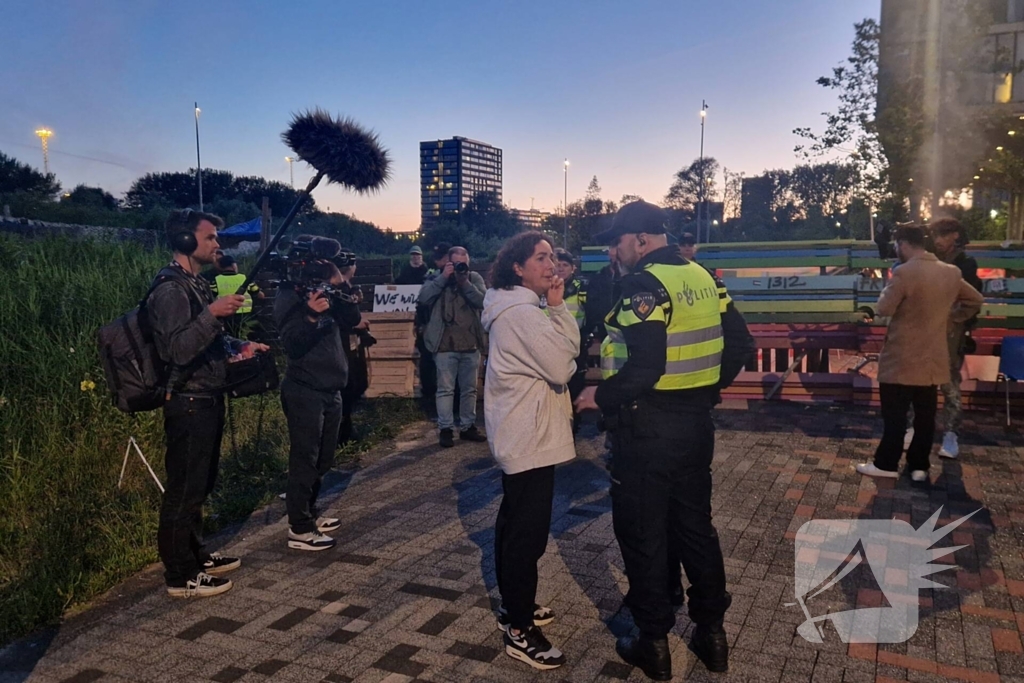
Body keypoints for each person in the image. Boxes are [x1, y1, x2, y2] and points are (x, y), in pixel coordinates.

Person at [574, 201, 754, 679]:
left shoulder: (644, 284)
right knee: (696, 529)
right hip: (696, 428)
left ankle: (653, 642)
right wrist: (707, 390)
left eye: (617, 241)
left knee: (644, 533)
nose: (615, 250)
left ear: (639, 240)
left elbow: (646, 366)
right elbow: (741, 345)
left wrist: (600, 395)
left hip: (647, 430)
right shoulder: (703, 277)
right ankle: (712, 636)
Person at [149, 209, 269, 598]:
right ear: (186, 242)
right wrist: (214, 313)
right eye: (211, 237)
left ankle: (195, 553)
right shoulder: (170, 290)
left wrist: (241, 345)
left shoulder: (195, 283)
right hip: (187, 401)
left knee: (200, 485)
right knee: (183, 489)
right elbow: (178, 350)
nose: (218, 243)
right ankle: (179, 576)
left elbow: (208, 341)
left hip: (207, 396)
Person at [481, 232, 580, 671]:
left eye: (553, 256)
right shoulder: (521, 312)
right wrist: (558, 322)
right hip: (529, 435)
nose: (551, 264)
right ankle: (520, 629)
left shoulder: (524, 307)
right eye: (541, 258)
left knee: (513, 524)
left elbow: (560, 354)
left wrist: (557, 307)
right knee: (527, 534)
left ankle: (513, 606)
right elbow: (562, 365)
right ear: (517, 267)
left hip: (523, 432)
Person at [856, 224, 983, 483]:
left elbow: (884, 308)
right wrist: (951, 319)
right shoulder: (951, 272)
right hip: (932, 357)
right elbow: (975, 300)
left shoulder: (904, 272)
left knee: (895, 416)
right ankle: (919, 467)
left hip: (902, 358)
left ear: (903, 243)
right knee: (926, 416)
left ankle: (886, 463)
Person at [274, 247, 361, 551]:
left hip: (332, 388)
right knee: (305, 458)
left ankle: (308, 513)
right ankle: (299, 528)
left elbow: (353, 317)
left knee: (323, 458)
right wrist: (311, 314)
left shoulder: (326, 290)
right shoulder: (289, 296)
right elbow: (293, 344)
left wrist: (339, 284)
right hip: (304, 389)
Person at [418, 246, 488, 448]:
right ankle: (446, 429)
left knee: (469, 389)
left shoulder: (473, 278)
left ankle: (468, 426)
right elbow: (423, 298)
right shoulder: (436, 278)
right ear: (447, 262)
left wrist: (464, 282)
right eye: (455, 262)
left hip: (470, 343)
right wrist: (443, 278)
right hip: (444, 344)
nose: (459, 266)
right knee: (445, 390)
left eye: (462, 262)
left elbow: (482, 301)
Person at [930, 218, 983, 459]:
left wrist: (955, 318)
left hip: (951, 332)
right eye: (935, 235)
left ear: (956, 236)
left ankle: (951, 434)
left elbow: (972, 299)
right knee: (920, 380)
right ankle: (916, 428)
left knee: (949, 383)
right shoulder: (930, 259)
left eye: (944, 234)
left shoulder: (964, 263)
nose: (938, 240)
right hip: (928, 328)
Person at [414, 243, 451, 417]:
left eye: (442, 257)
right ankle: (430, 403)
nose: (438, 261)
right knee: (428, 368)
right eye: (438, 258)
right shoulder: (432, 276)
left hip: (448, 333)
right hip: (430, 330)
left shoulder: (463, 276)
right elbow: (423, 299)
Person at [554, 249, 589, 433]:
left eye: (565, 265)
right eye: (557, 265)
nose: (561, 269)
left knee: (574, 387)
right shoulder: (545, 286)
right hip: (551, 345)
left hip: (575, 345)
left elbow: (590, 313)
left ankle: (573, 428)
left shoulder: (581, 287)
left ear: (573, 268)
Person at [208, 255, 263, 337]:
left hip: (226, 318)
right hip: (246, 318)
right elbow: (261, 296)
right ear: (233, 265)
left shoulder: (216, 281)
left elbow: (209, 297)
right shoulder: (244, 279)